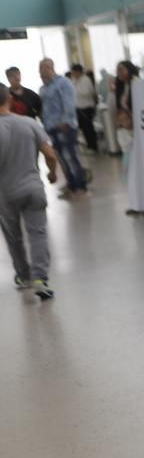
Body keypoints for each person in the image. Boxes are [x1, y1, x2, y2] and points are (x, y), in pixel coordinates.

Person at [0, 84, 60, 300]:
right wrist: (52, 174)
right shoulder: (28, 123)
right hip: (33, 188)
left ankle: (23, 276)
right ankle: (40, 278)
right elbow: (50, 155)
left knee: (13, 237)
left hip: (5, 194)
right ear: (9, 98)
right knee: (38, 233)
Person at [38, 59, 87, 197]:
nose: (39, 72)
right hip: (51, 128)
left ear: (49, 68)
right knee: (62, 159)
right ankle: (71, 185)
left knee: (71, 156)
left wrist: (65, 122)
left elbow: (69, 104)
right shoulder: (44, 88)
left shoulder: (63, 83)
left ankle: (80, 187)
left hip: (64, 127)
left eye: (41, 69)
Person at [111, 61, 140, 195]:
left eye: (122, 69)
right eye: (118, 70)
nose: (119, 72)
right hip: (126, 127)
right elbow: (120, 106)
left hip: (137, 126)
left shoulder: (137, 83)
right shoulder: (120, 86)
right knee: (128, 157)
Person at [70, 64, 99, 152]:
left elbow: (88, 92)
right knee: (83, 128)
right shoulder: (73, 80)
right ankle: (88, 145)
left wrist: (75, 91)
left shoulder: (86, 80)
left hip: (87, 107)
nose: (73, 74)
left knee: (88, 128)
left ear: (78, 71)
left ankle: (93, 146)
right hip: (78, 107)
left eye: (74, 72)